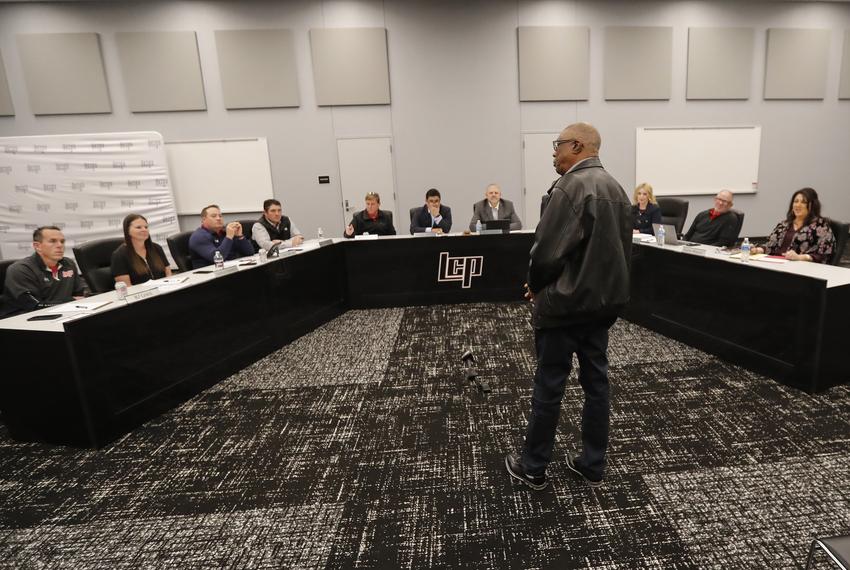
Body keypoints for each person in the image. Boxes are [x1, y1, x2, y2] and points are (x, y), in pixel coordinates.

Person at [505, 122, 632, 491]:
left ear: (577, 146)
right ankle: (593, 464)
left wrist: (535, 285)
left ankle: (533, 466)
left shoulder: (570, 187)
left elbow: (546, 251)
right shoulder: (617, 188)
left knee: (550, 385)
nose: (553, 152)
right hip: (602, 307)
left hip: (563, 308)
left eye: (557, 145)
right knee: (597, 385)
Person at [3, 226, 86, 315]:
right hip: (25, 320)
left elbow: (79, 294)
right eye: (52, 241)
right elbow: (35, 306)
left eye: (62, 241)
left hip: (63, 314)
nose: (60, 245)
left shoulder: (68, 264)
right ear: (37, 246)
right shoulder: (20, 270)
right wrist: (70, 301)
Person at [751, 187, 835, 263]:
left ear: (812, 206)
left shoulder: (821, 226)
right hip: (776, 264)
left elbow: (823, 254)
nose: (798, 205)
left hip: (800, 269)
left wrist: (799, 257)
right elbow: (770, 247)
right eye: (796, 201)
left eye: (803, 202)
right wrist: (757, 250)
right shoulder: (784, 224)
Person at [111, 214, 172, 286]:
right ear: (127, 230)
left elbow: (168, 273)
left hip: (164, 290)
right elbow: (126, 287)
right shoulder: (119, 255)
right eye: (138, 227)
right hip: (141, 295)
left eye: (146, 227)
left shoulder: (156, 248)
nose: (144, 230)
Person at [188, 204, 254, 269]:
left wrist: (240, 236)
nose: (218, 218)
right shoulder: (198, 236)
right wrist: (228, 237)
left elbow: (250, 252)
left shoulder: (224, 232)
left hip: (232, 269)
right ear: (203, 220)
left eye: (220, 216)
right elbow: (217, 258)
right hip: (210, 275)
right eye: (214, 216)